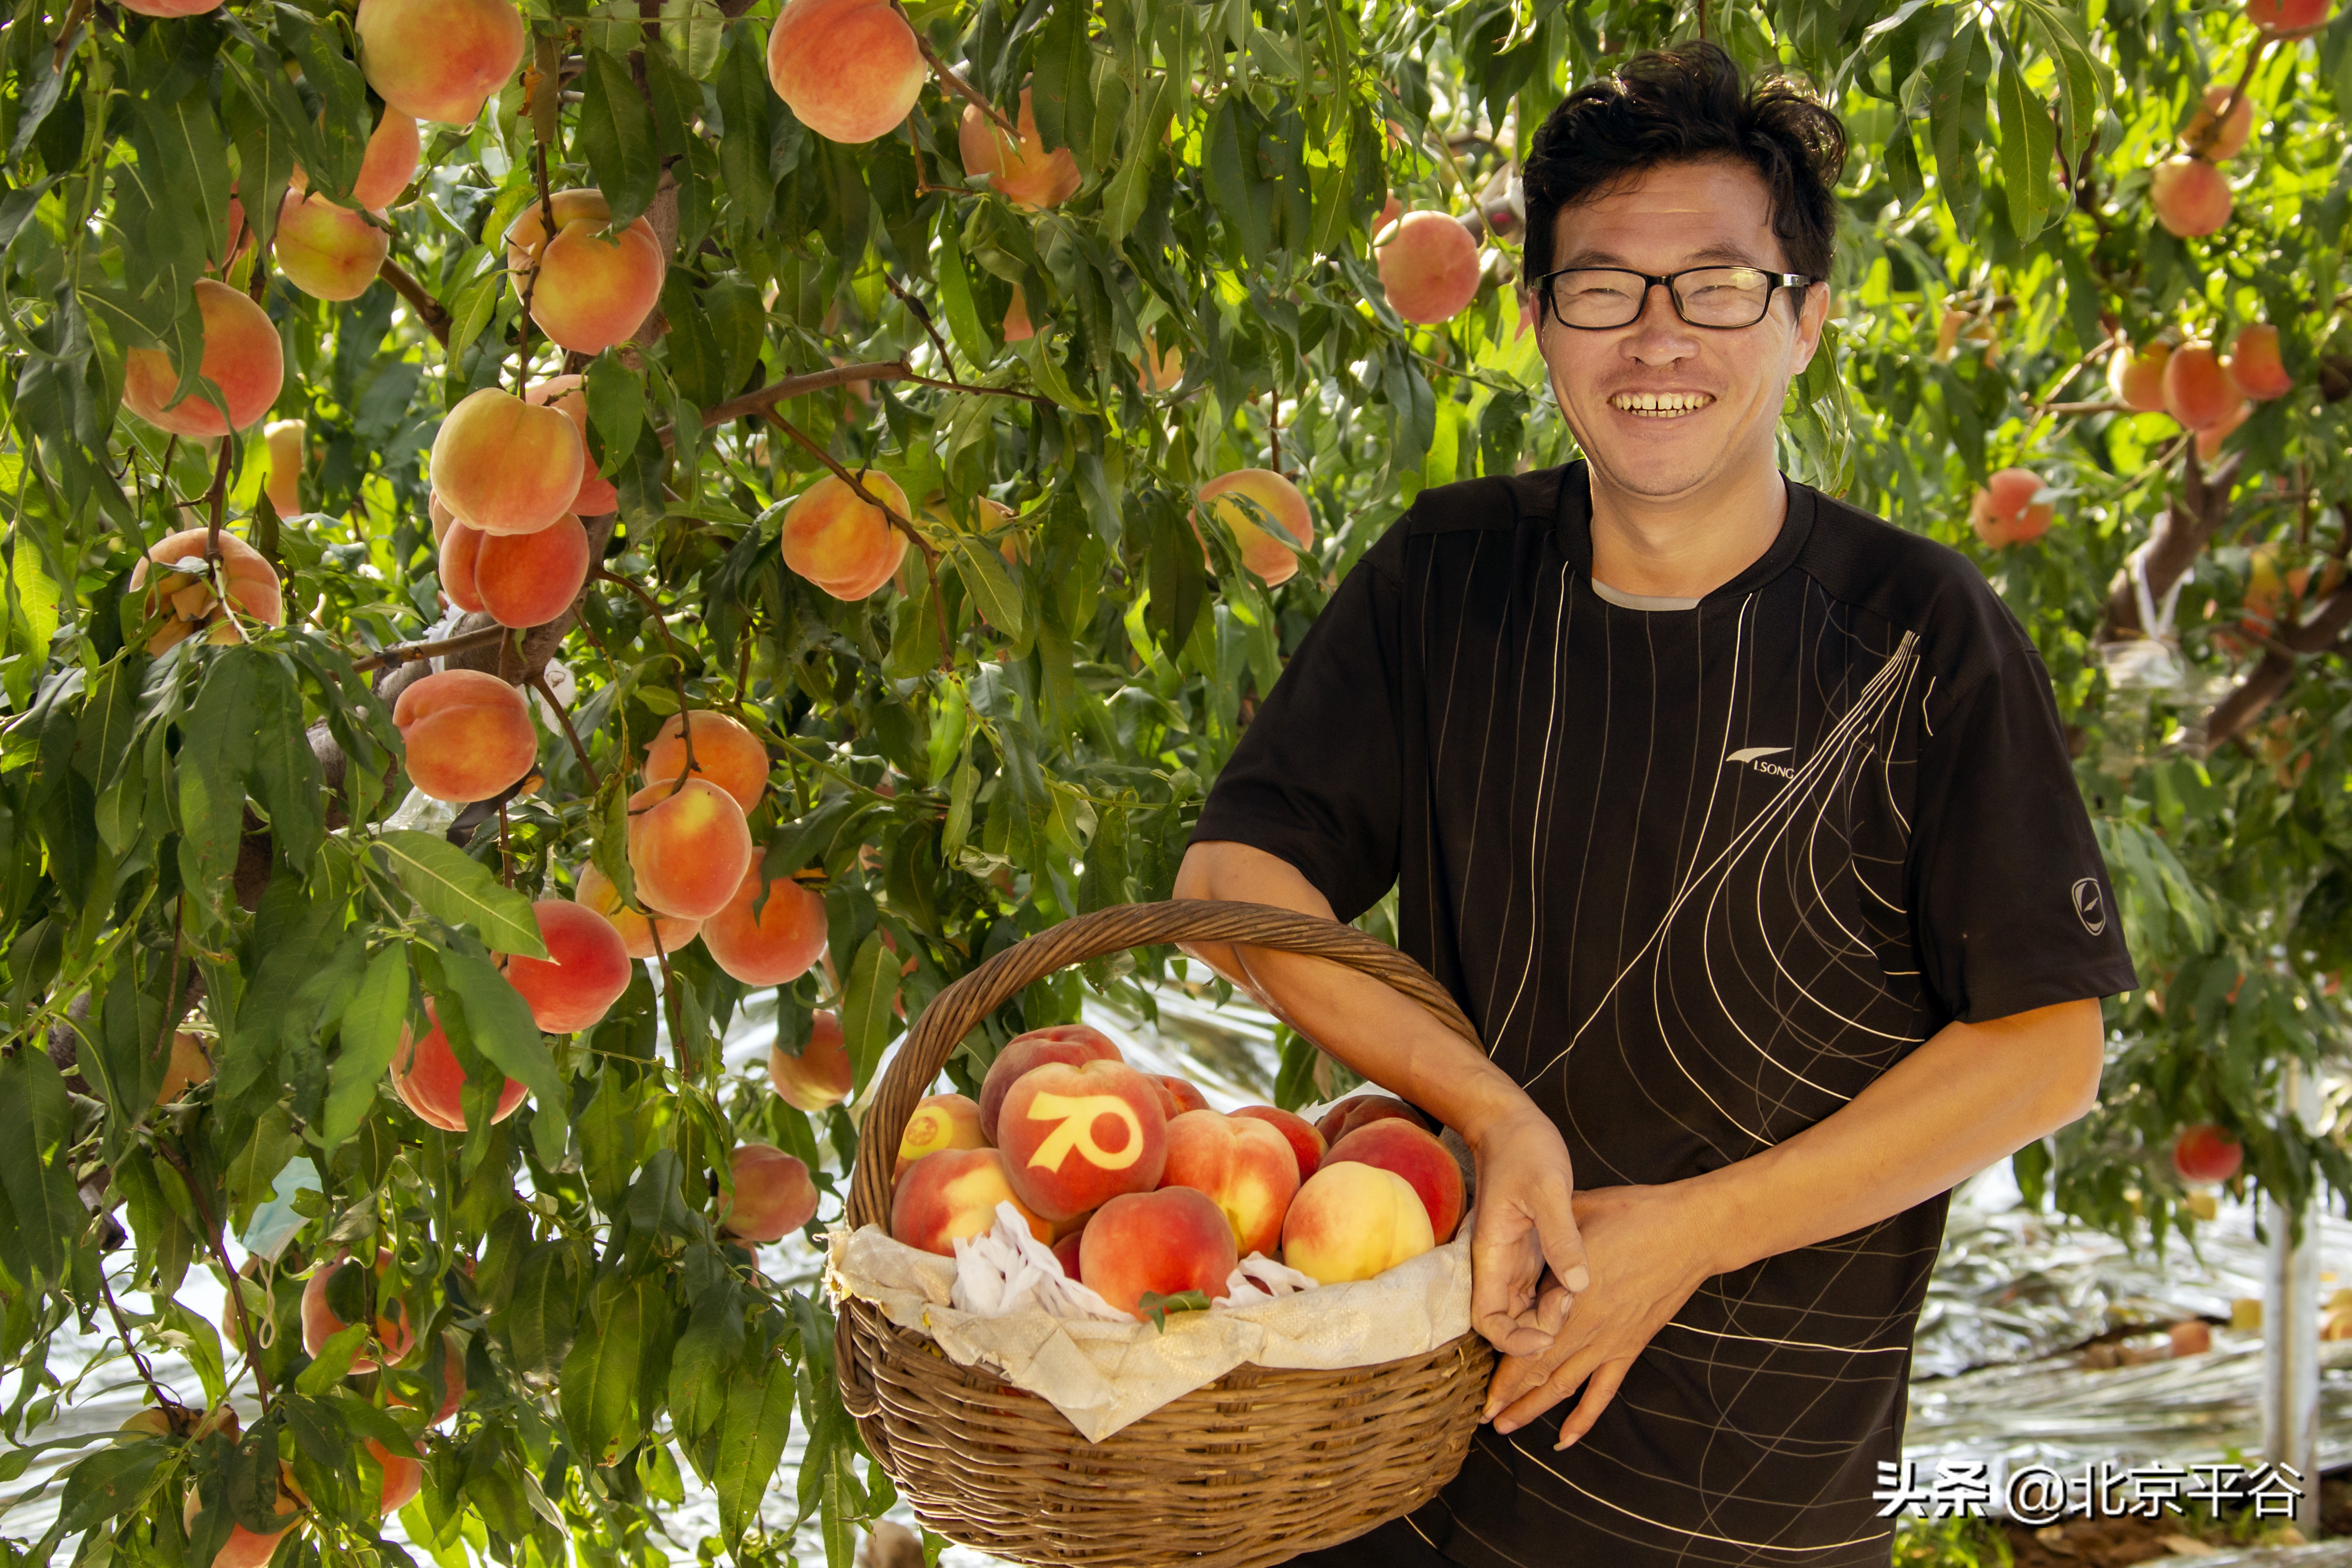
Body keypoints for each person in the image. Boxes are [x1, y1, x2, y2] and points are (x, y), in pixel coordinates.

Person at [1172, 39, 2137, 1568]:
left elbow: (2047, 1045)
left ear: (1807, 318)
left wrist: (1684, 1236)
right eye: (1605, 286)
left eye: (1719, 285)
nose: (1657, 334)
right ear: (1540, 321)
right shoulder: (1448, 580)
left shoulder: (1916, 631)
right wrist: (1490, 1114)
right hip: (1402, 1463)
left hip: (1753, 1493)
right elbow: (1237, 876)